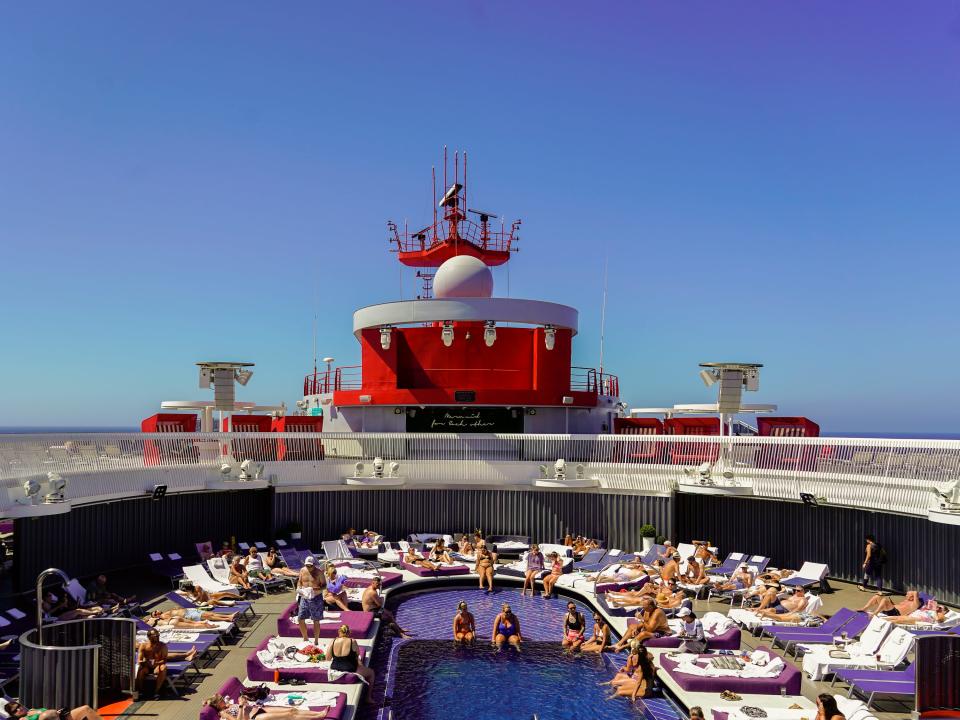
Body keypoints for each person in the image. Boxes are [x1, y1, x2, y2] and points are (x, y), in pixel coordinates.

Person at [136, 628, 196, 694]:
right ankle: (140, 690)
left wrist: (156, 663)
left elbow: (164, 660)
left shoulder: (162, 646)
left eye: (158, 635)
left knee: (163, 667)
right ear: (149, 637)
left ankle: (157, 691)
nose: (157, 637)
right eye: (155, 636)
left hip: (157, 665)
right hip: (146, 666)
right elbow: (139, 660)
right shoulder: (143, 646)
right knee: (140, 669)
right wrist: (142, 662)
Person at [205, 694, 329, 720]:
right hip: (256, 717)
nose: (223, 700)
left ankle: (316, 713)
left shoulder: (228, 704)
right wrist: (242, 706)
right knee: (289, 716)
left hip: (258, 709)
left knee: (292, 710)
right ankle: (319, 716)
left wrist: (245, 701)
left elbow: (244, 706)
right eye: (221, 699)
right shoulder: (223, 713)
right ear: (217, 704)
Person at [296, 555, 326, 643]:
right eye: (307, 565)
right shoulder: (302, 570)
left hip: (316, 598)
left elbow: (324, 585)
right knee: (300, 618)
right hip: (304, 597)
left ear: (314, 564)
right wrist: (299, 589)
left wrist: (316, 590)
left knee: (316, 620)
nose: (309, 567)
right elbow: (300, 581)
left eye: (310, 565)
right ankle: (305, 638)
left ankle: (316, 640)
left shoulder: (319, 572)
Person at [5, 702, 103, 720]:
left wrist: (58, 712)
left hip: (61, 717)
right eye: (15, 710)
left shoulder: (32, 710)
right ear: (12, 714)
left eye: (18, 706)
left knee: (85, 709)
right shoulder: (23, 719)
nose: (19, 709)